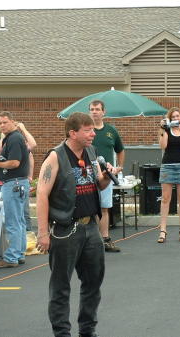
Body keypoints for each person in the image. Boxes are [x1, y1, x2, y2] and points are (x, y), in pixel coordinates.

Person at [36, 112, 112, 337]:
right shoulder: (56, 157)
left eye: (93, 129)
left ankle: (88, 331)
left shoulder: (91, 152)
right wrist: (42, 233)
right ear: (73, 133)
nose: (93, 133)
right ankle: (62, 333)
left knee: (93, 284)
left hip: (91, 228)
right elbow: (41, 194)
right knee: (61, 286)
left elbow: (99, 184)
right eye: (88, 130)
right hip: (65, 229)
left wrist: (107, 175)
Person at [0, 112, 30, 268]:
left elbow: (14, 163)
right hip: (18, 183)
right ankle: (19, 254)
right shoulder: (11, 138)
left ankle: (11, 257)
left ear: (13, 122)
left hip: (13, 183)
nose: (2, 125)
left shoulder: (14, 139)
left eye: (5, 122)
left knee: (13, 222)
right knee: (19, 221)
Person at [89, 100, 125, 252]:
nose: (94, 112)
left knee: (104, 208)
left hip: (106, 175)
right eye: (92, 109)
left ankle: (105, 239)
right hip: (89, 175)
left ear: (104, 112)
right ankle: (93, 240)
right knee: (91, 209)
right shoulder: (86, 131)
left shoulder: (111, 131)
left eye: (97, 109)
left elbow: (120, 150)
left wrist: (119, 167)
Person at [0, 121, 36, 230]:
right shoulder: (4, 142)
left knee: (23, 213)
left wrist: (23, 129)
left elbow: (32, 146)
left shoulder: (18, 141)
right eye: (0, 123)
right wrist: (2, 139)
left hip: (17, 182)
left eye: (5, 123)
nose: (2, 126)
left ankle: (27, 237)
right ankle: (7, 238)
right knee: (4, 213)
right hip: (1, 183)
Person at [157, 107, 180, 243]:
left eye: (178, 116)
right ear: (169, 119)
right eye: (173, 117)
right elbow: (163, 146)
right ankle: (163, 230)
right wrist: (162, 129)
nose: (176, 119)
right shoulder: (165, 130)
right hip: (167, 166)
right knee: (165, 199)